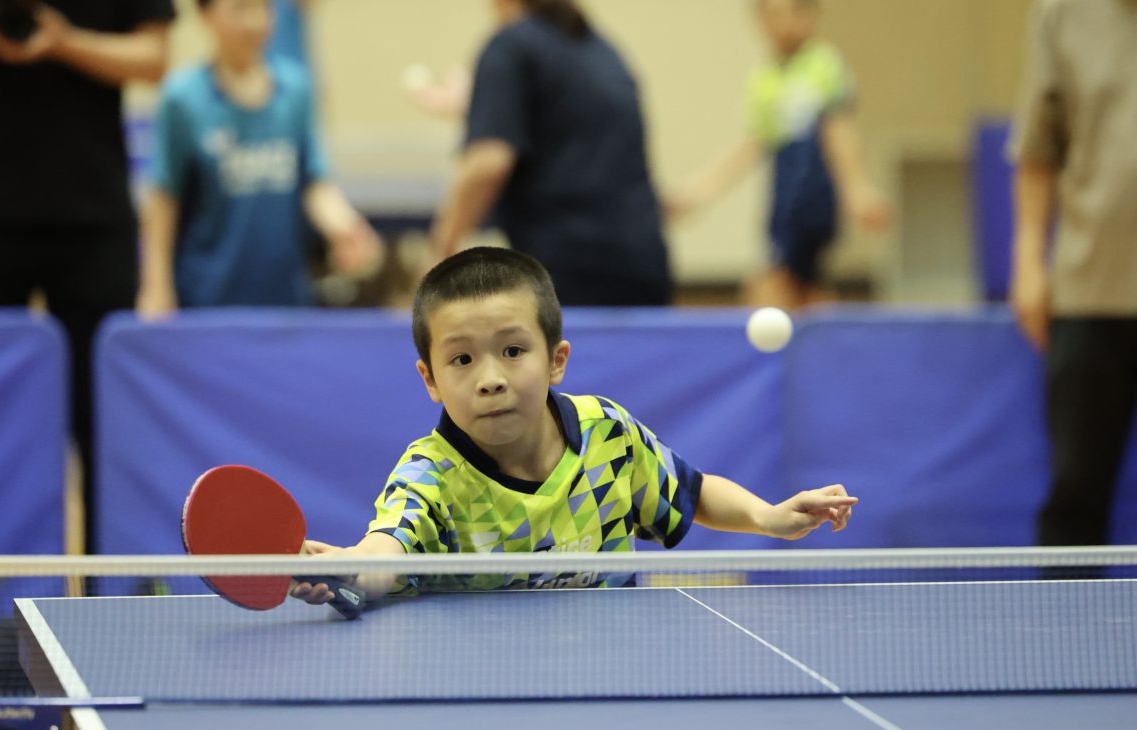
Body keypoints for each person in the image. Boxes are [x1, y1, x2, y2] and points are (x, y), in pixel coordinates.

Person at [293, 246, 856, 602]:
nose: (490, 378)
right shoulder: (429, 475)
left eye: (513, 350)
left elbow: (694, 490)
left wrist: (769, 517)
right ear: (430, 379)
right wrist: (350, 566)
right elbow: (387, 549)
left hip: (614, 677)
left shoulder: (608, 436)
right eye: (462, 359)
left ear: (556, 359)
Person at [0, 0, 176, 553]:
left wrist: (65, 41)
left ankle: (105, 594)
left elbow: (154, 58)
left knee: (103, 426)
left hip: (94, 219)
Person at [137, 0, 377, 313]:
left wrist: (344, 227)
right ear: (205, 15)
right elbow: (164, 198)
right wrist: (156, 287)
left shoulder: (296, 89)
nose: (254, 22)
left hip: (285, 297)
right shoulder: (182, 98)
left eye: (263, 8)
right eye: (239, 9)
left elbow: (313, 182)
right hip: (206, 298)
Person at [429, 0, 673, 307]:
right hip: (643, 263)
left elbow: (489, 162)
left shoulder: (509, 45)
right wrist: (478, 105)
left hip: (566, 267)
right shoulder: (605, 52)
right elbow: (565, 126)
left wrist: (440, 253)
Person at [1008, 0, 1137, 555]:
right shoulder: (1062, 13)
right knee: (1077, 492)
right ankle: (1061, 637)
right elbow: (1038, 150)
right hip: (1090, 288)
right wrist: (1029, 260)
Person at [664, 0, 888, 310]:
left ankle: (783, 357)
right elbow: (753, 145)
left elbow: (838, 131)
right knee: (807, 294)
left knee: (768, 287)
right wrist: (699, 191)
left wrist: (856, 189)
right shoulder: (766, 77)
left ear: (810, 16)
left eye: (787, 13)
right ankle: (825, 354)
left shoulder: (824, 65)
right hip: (782, 201)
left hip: (812, 199)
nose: (778, 24)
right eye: (769, 15)